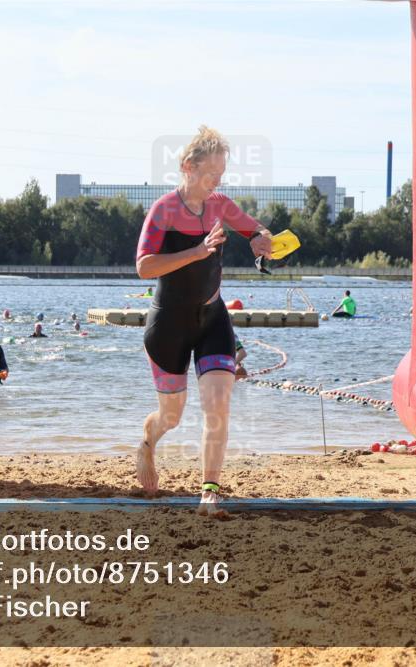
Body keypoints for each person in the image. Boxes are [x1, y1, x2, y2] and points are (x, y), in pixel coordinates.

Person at [134, 125, 272, 517]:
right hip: (169, 326)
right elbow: (144, 266)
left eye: (221, 175)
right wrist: (196, 252)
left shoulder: (220, 205)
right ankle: (148, 442)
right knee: (172, 417)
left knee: (218, 405)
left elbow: (254, 227)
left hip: (213, 319)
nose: (217, 182)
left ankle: (209, 491)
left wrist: (261, 240)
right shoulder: (163, 210)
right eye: (212, 174)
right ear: (187, 167)